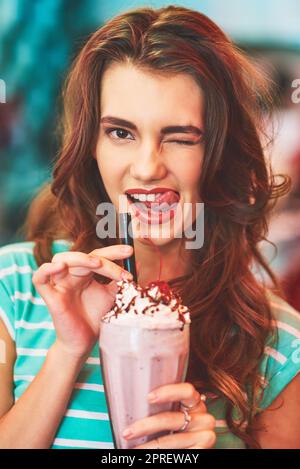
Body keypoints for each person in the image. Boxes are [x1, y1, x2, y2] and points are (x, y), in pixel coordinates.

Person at [0, 5, 300, 450]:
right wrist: (68, 350)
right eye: (121, 133)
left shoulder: (279, 347)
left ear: (220, 154)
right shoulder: (16, 285)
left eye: (180, 137)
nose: (146, 168)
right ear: (91, 146)